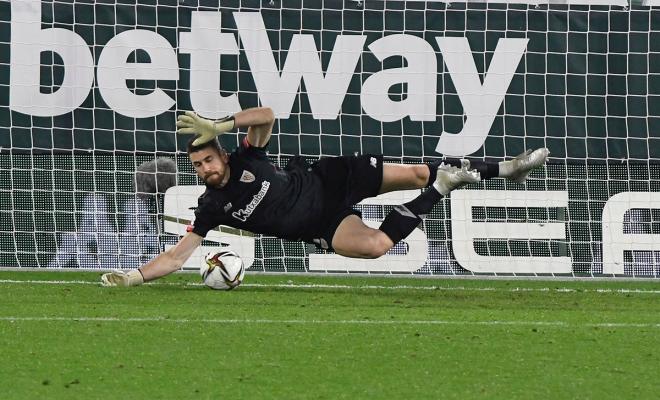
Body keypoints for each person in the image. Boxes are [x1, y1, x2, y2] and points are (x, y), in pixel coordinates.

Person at [101, 107, 549, 286]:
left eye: (209, 160)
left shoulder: (247, 155)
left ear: (220, 154)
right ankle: (443, 188)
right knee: (375, 247)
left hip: (330, 180)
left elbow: (266, 115)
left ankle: (505, 169)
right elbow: (178, 257)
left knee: (414, 170)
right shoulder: (212, 206)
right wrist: (133, 278)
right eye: (198, 167)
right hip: (320, 225)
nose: (206, 170)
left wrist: (220, 125)